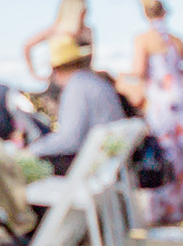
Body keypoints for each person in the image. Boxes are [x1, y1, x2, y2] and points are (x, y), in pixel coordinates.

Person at [133, 0, 183, 225]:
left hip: (160, 100)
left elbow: (139, 71)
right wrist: (177, 70)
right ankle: (178, 211)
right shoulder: (176, 39)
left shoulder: (144, 39)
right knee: (181, 155)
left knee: (160, 152)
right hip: (180, 98)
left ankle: (159, 211)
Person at [24, 36, 125, 177]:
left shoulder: (76, 88)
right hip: (109, 164)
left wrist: (31, 151)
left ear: (56, 69)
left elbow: (70, 139)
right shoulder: (98, 83)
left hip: (94, 169)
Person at [22, 0, 93, 80]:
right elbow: (27, 46)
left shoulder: (87, 31)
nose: (86, 12)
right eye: (83, 9)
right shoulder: (54, 30)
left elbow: (91, 58)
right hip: (60, 80)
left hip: (83, 77)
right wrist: (35, 74)